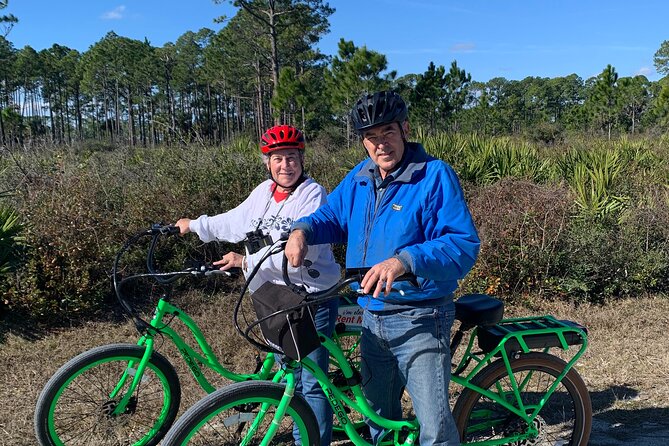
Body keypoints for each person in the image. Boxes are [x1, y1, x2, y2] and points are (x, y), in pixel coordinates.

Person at [285, 91, 480, 446]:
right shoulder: (361, 177)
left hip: (422, 317)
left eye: (388, 132)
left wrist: (405, 260)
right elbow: (331, 216)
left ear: (405, 129)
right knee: (381, 421)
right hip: (372, 318)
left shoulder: (434, 176)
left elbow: (461, 244)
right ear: (363, 141)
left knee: (434, 429)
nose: (381, 143)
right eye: (371, 137)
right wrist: (302, 229)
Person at [175, 124, 340, 445]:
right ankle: (299, 428)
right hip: (273, 296)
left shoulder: (312, 194)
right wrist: (194, 225)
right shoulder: (264, 192)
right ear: (267, 162)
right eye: (277, 158)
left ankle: (311, 440)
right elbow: (234, 220)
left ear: (302, 159)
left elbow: (298, 253)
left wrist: (245, 261)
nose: (285, 165)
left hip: (309, 297)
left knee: (311, 381)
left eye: (291, 157)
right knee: (287, 373)